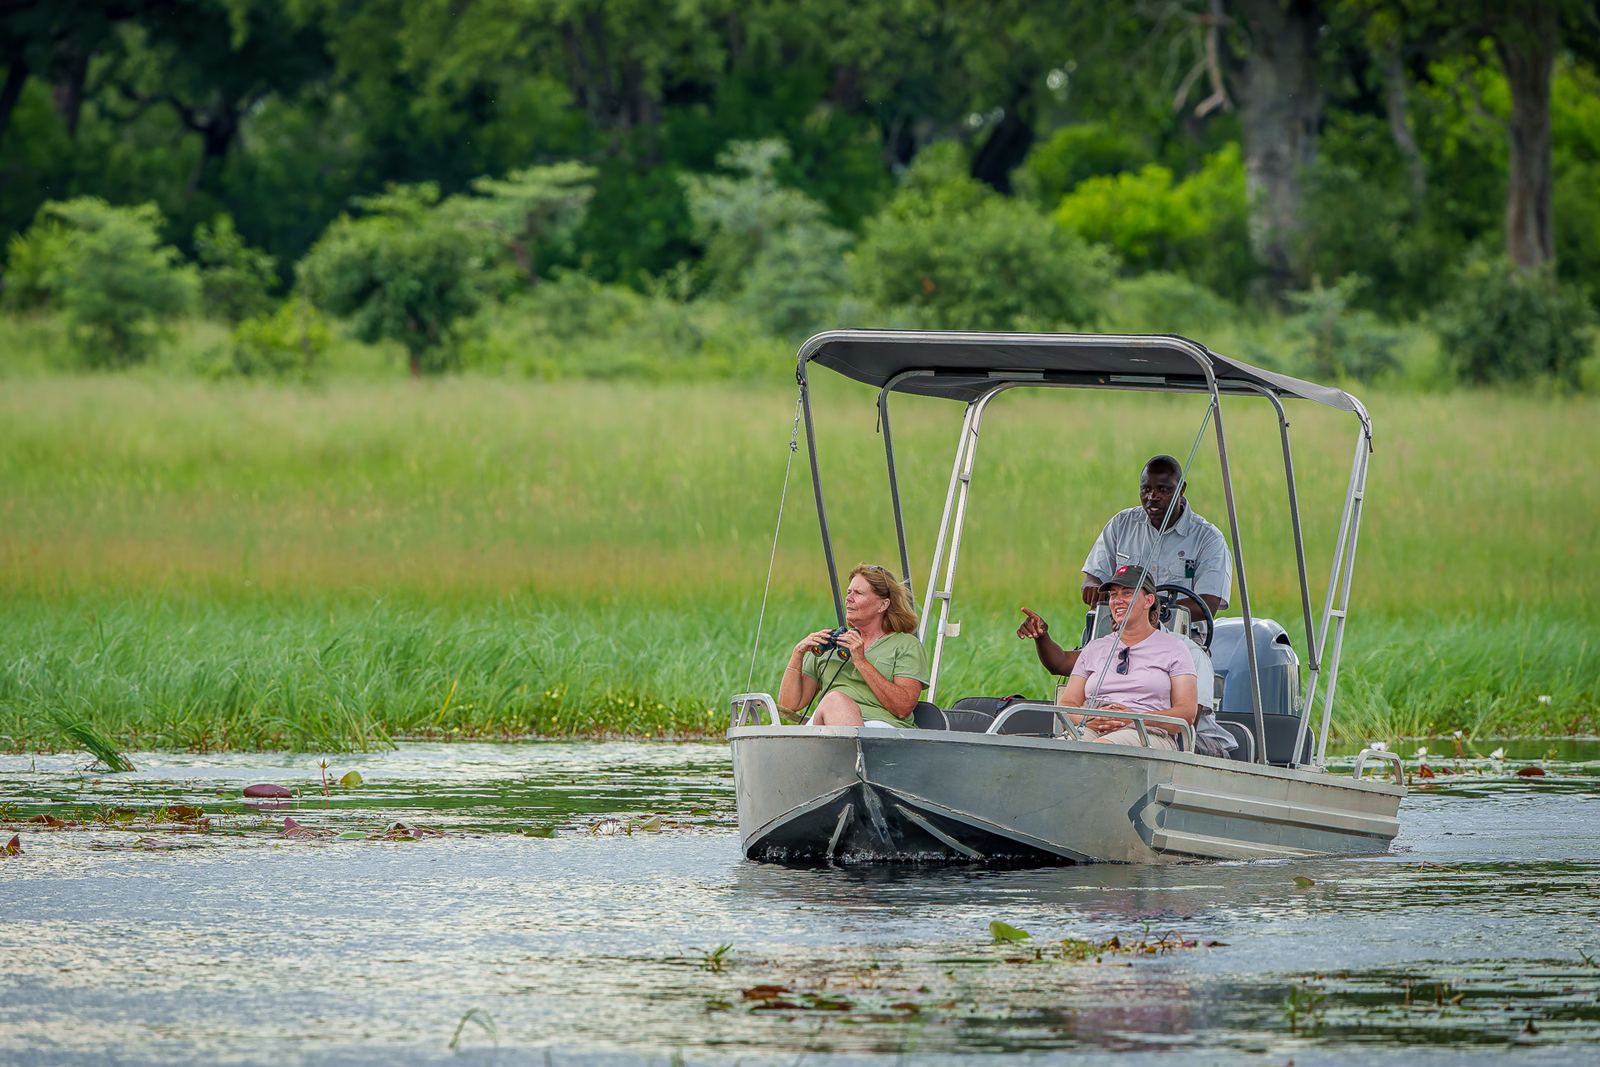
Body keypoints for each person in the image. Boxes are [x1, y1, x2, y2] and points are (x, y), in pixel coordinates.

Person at [1056, 565, 1234, 756]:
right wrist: (1090, 719)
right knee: (1058, 750)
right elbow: (1068, 703)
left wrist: (1134, 719)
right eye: (1113, 595)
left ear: (1148, 600)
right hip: (1093, 728)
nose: (1118, 600)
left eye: (1127, 593)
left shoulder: (1176, 649)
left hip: (1149, 733)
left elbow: (1186, 713)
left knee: (1101, 750)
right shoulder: (1094, 648)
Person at [777, 563, 929, 728]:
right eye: (849, 592)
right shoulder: (830, 644)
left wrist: (861, 661)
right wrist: (798, 654)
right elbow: (789, 705)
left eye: (858, 593)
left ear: (883, 605)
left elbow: (903, 708)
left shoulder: (905, 644)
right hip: (829, 726)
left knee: (834, 701)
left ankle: (851, 742)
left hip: (882, 731)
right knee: (832, 703)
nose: (849, 598)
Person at [1080, 454, 1233, 619]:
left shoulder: (1208, 539)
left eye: (1163, 490)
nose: (1152, 497)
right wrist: (1092, 587)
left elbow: (1207, 604)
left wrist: (1147, 610)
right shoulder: (1121, 525)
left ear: (1181, 489)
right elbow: (1093, 577)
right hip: (1120, 630)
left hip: (1181, 634)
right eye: (1146, 490)